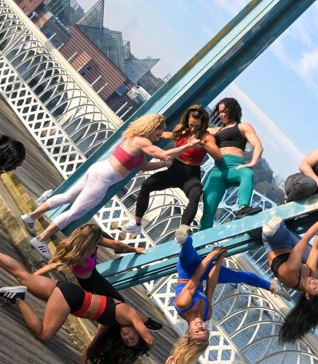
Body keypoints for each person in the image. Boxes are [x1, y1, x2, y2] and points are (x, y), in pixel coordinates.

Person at [0, 236, 157, 364]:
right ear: (138, 330)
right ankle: (18, 298)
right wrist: (150, 353)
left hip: (70, 291)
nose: (127, 336)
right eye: (132, 337)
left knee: (24, 277)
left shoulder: (117, 322)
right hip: (71, 300)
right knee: (43, 334)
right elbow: (149, 339)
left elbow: (99, 337)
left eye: (127, 340)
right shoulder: (130, 314)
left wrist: (86, 355)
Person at [20, 113, 199, 260]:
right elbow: (164, 154)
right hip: (104, 179)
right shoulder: (143, 142)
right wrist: (187, 146)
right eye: (158, 134)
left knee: (67, 197)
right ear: (152, 128)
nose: (158, 137)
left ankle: (31, 217)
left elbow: (143, 166)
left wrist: (163, 165)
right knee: (75, 212)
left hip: (99, 169)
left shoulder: (133, 138)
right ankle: (41, 239)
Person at [158, 238, 287, 364]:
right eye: (204, 330)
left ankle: (184, 237)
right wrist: (220, 259)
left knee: (187, 249)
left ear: (189, 332)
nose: (201, 326)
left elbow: (195, 277)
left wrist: (212, 254)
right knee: (243, 277)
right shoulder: (206, 314)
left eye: (197, 331)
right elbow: (211, 284)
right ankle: (274, 287)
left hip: (188, 269)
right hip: (204, 270)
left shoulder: (183, 305)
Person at [120, 106, 221, 243]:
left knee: (196, 194)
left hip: (191, 175)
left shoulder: (206, 137)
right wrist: (141, 132)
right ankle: (136, 224)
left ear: (203, 124)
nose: (193, 129)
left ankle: (183, 230)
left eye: (196, 126)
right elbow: (163, 135)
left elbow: (218, 156)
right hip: (174, 170)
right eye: (191, 125)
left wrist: (203, 144)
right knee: (147, 184)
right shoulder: (183, 131)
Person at [198, 98, 264, 230]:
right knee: (207, 212)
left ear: (232, 110)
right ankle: (199, 240)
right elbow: (193, 131)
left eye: (224, 111)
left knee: (247, 173)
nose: (221, 115)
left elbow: (258, 146)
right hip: (217, 171)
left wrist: (252, 163)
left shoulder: (243, 127)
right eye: (219, 112)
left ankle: (243, 208)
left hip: (235, 168)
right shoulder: (215, 130)